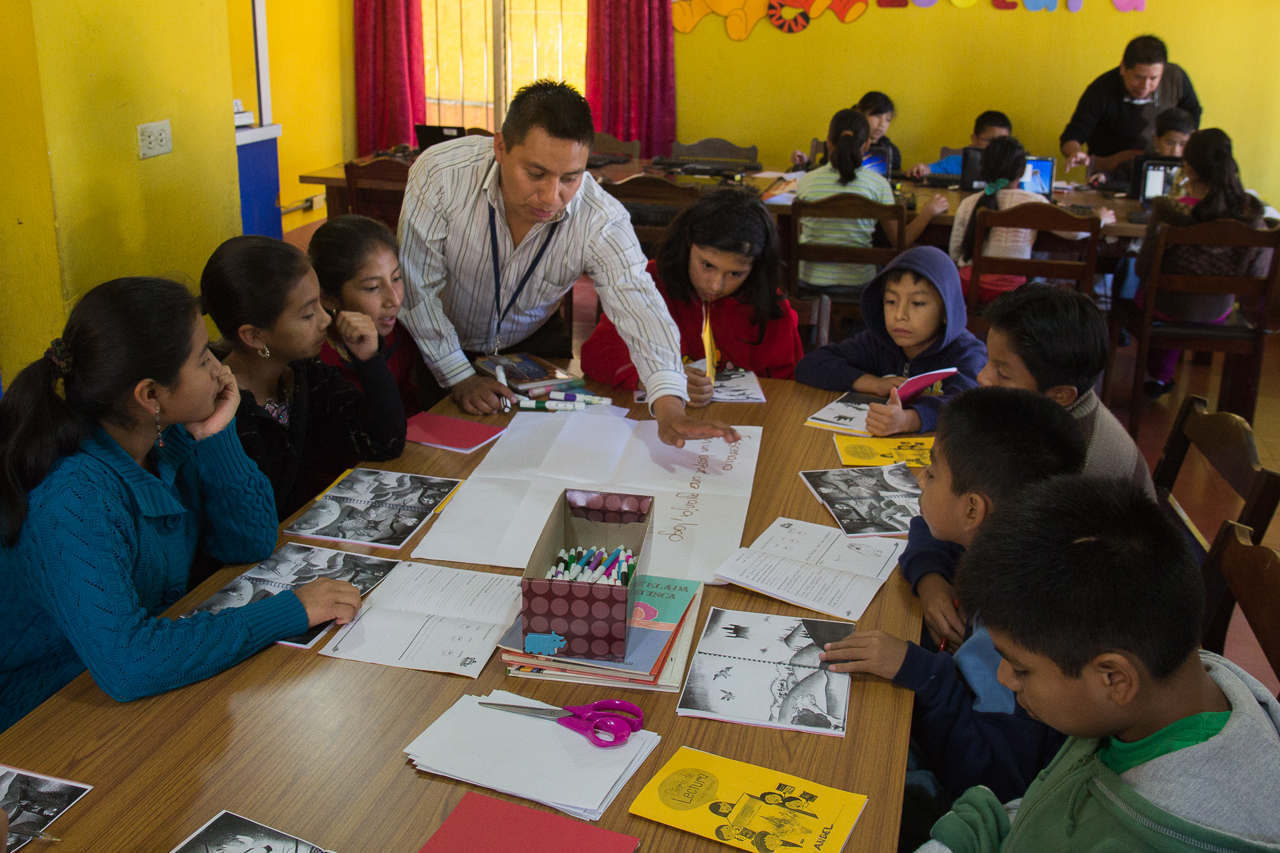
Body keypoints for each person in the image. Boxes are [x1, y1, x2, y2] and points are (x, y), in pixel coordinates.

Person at [0, 278, 362, 733]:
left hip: (126, 683)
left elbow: (249, 541)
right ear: (150, 395)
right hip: (46, 716)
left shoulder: (164, 437)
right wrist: (290, 611)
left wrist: (217, 433)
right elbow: (129, 662)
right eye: (203, 358)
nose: (221, 369)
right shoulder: (72, 497)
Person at [918, 476, 1280, 852]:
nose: (1004, 677)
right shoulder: (1153, 702)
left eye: (1021, 668)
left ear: (1115, 680)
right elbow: (1046, 807)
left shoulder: (1159, 836)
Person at [396, 79, 736, 449]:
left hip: (533, 348)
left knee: (538, 457)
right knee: (441, 459)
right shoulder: (442, 174)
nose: (550, 196)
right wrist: (459, 375)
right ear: (500, 147)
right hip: (440, 342)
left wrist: (670, 408)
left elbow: (640, 307)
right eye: (536, 173)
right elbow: (416, 289)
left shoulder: (600, 217)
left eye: (570, 178)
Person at [821, 388, 1086, 809]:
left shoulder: (1023, 639)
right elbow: (927, 524)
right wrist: (929, 578)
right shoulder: (1022, 537)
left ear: (972, 512)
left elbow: (991, 781)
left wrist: (923, 672)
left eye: (931, 473)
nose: (920, 481)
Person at [200, 235, 407, 520]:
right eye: (308, 314)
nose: (326, 320)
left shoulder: (302, 373)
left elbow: (384, 442)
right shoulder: (222, 412)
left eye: (321, 306)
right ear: (254, 336)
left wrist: (369, 360)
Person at [580, 189, 803, 403]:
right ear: (688, 244)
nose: (716, 285)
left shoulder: (768, 305)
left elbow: (790, 385)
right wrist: (660, 380)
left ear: (756, 267)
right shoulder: (648, 283)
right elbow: (596, 356)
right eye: (707, 265)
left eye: (735, 273)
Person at [1134, 128, 1272, 397]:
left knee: (1140, 285)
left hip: (1164, 309)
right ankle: (1159, 376)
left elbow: (1143, 268)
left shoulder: (1169, 212)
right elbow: (1258, 273)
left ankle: (1156, 374)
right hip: (1217, 312)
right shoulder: (1252, 218)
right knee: (1182, 300)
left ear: (1188, 166)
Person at [979, 285, 1154, 497]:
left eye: (1003, 374)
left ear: (1060, 395)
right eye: (988, 360)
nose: (982, 377)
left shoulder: (1069, 465)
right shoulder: (1048, 411)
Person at [795, 246, 985, 436]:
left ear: (946, 311)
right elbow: (810, 365)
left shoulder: (967, 353)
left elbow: (969, 406)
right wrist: (874, 384)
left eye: (917, 303)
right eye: (891, 301)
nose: (900, 315)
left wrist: (910, 420)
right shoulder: (877, 342)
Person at [796, 110, 947, 295]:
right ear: (867, 144)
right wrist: (929, 211)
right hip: (858, 282)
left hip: (808, 279)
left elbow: (802, 232)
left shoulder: (806, 181)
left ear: (828, 142)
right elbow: (901, 240)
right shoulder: (878, 185)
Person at [949, 136, 1114, 303]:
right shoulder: (1035, 202)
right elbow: (1074, 233)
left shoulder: (969, 203)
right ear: (1022, 171)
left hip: (968, 288)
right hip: (1010, 294)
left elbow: (955, 253)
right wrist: (1099, 218)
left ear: (982, 168)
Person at [309, 214, 431, 416]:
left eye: (396, 278)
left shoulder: (399, 334)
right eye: (373, 288)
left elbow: (408, 408)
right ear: (328, 296)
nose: (394, 300)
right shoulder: (315, 359)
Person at [1060, 35, 1201, 173]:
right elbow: (1072, 135)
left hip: (1162, 172)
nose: (1146, 86)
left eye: (1153, 78)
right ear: (1123, 68)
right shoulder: (1101, 89)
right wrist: (1075, 153)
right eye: (1139, 77)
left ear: (1163, 70)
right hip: (1107, 174)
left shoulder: (1176, 78)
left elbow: (1192, 116)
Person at [1089, 106, 1197, 187]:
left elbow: (1197, 200)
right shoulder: (1144, 163)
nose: (1175, 151)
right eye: (1169, 143)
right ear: (1156, 141)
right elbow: (1115, 175)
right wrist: (1103, 176)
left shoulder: (1193, 169)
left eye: (1183, 144)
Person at [907, 111, 1012, 179]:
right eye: (990, 141)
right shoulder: (954, 163)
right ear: (974, 139)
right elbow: (928, 170)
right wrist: (921, 168)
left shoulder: (1014, 168)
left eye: (1002, 142)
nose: (996, 147)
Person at [857, 91, 901, 173]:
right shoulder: (848, 145)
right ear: (861, 113)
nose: (882, 124)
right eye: (877, 116)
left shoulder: (891, 151)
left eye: (887, 120)